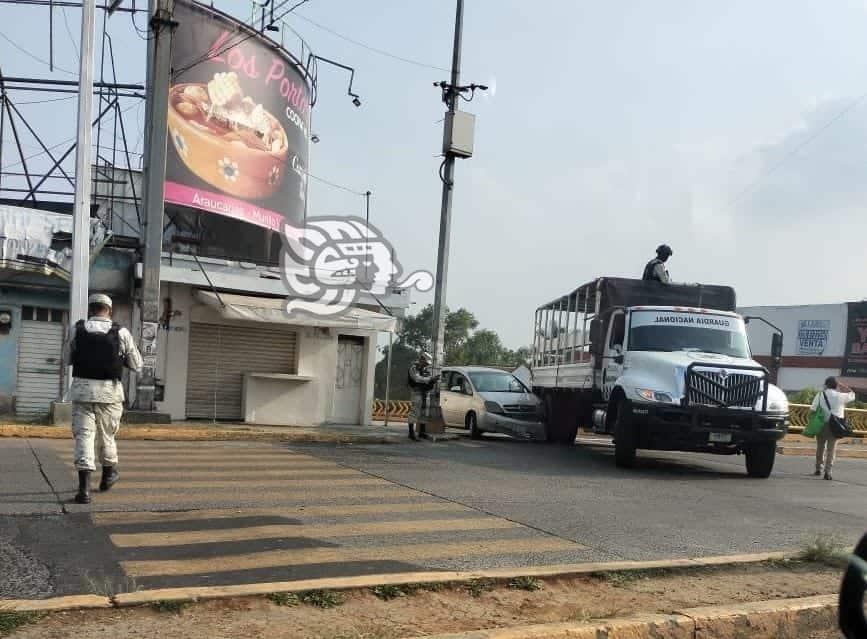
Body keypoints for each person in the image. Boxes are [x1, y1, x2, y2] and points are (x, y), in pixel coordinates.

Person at [63, 294, 143, 503]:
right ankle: (108, 475)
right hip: (110, 393)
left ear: (91, 309)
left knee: (84, 436)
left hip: (82, 391)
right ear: (109, 309)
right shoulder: (121, 332)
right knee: (107, 435)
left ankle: (84, 491)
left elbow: (67, 359)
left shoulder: (77, 329)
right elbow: (137, 365)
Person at [810, 376, 855, 481]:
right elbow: (852, 395)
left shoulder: (820, 394)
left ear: (826, 384)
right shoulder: (841, 396)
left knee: (820, 447)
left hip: (821, 424)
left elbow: (812, 409)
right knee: (831, 449)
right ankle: (828, 472)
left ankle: (818, 469)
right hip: (835, 426)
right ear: (836, 385)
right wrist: (843, 386)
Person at [407, 352, 436, 441]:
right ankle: (411, 433)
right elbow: (417, 378)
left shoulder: (425, 370)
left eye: (428, 363)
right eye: (426, 362)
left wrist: (433, 380)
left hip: (425, 394)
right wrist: (429, 379)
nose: (427, 364)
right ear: (421, 359)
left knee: (424, 413)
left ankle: (422, 433)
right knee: (414, 413)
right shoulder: (414, 368)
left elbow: (428, 379)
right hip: (417, 393)